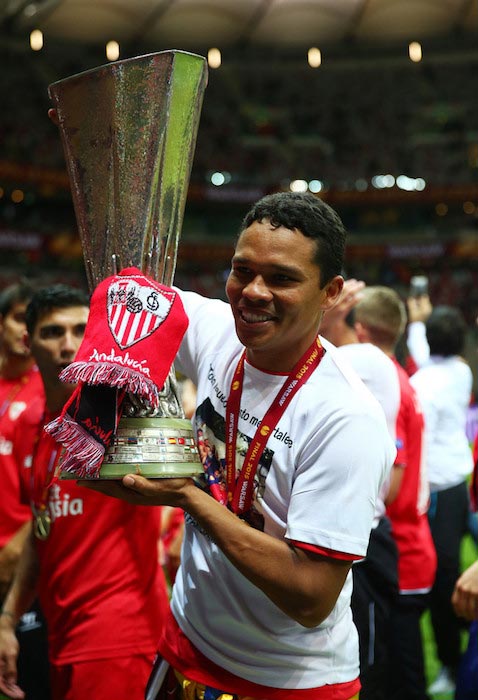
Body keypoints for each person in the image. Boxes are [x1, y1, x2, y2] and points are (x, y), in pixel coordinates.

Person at [81, 191, 396, 700]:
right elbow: (124, 284)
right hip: (185, 640)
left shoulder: (345, 417)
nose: (252, 291)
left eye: (282, 278)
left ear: (330, 292)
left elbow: (312, 596)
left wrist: (189, 498)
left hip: (283, 680)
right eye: (241, 270)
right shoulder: (215, 332)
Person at [0, 284, 169, 700]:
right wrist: (7, 618)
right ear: (28, 341)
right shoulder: (33, 429)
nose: (68, 345)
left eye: (81, 330)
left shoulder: (123, 413)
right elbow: (42, 534)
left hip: (119, 638)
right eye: (53, 332)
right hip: (62, 633)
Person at [319, 278, 402, 700]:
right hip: (351, 534)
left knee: (366, 660)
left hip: (364, 541)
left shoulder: (364, 358)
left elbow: (288, 354)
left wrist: (319, 315)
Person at [353, 285, 437, 700]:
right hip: (411, 543)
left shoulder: (386, 386)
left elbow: (392, 482)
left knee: (392, 674)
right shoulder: (401, 378)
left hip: (399, 548)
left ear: (362, 331)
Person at [408, 302, 474, 695]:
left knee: (440, 580)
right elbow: (427, 357)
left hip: (430, 494)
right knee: (450, 573)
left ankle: (451, 662)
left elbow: (418, 451)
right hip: (456, 489)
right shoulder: (462, 371)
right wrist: (421, 323)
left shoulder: (421, 385)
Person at [0, 281, 50, 700]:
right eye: (19, 318)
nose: (25, 331)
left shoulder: (44, 394)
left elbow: (42, 493)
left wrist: (15, 551)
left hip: (20, 559)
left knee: (24, 679)